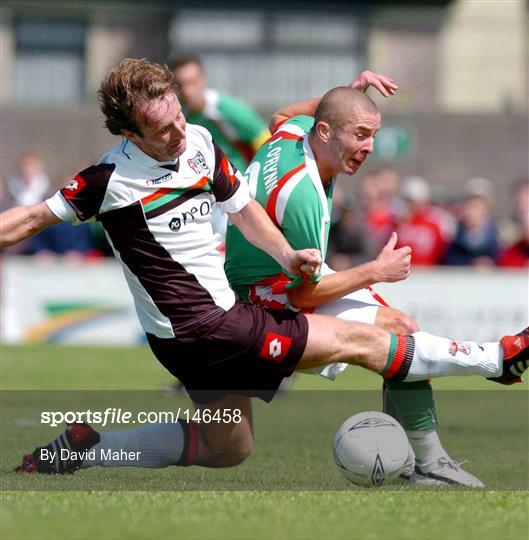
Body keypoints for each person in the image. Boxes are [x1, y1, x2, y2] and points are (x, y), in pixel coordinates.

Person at [2, 59, 527, 478]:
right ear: (127, 132)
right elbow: (27, 219)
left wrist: (288, 256)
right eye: (162, 130)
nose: (179, 134)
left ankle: (87, 448)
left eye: (180, 116)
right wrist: (366, 273)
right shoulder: (108, 179)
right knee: (369, 337)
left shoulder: (201, 144)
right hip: (208, 330)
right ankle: (496, 359)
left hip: (208, 327)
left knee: (226, 447)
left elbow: (246, 212)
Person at [223, 84, 487, 486]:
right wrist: (375, 271)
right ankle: (425, 462)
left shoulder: (295, 133)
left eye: (373, 135)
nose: (369, 147)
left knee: (402, 329)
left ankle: (427, 464)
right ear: (326, 133)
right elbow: (303, 294)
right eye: (361, 134)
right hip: (262, 294)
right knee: (223, 443)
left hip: (274, 275)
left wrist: (350, 92)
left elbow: (281, 116)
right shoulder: (304, 196)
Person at [169, 55, 269, 175]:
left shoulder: (230, 110)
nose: (187, 91)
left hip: (237, 182)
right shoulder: (176, 115)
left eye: (192, 82)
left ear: (203, 79)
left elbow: (266, 143)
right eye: (180, 85)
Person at [443, 178, 500, 267]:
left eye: (478, 206)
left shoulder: (496, 235)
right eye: (471, 206)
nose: (473, 212)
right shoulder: (453, 234)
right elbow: (448, 261)